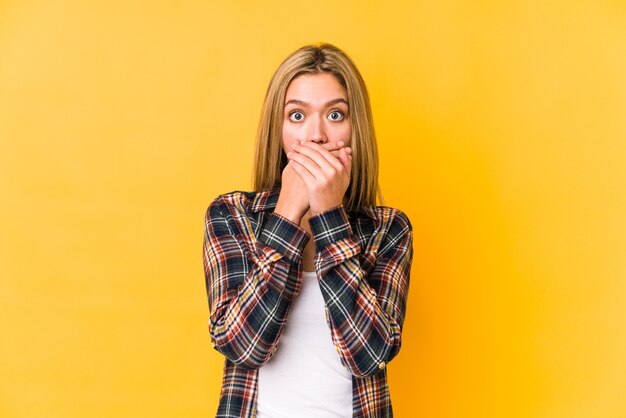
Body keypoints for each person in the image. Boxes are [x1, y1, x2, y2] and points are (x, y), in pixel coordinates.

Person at [203, 43, 413, 418]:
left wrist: (329, 213)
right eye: (297, 116)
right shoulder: (232, 215)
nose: (315, 136)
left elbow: (370, 354)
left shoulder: (389, 229)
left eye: (335, 114)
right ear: (278, 130)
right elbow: (241, 345)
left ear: (355, 129)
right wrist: (287, 211)